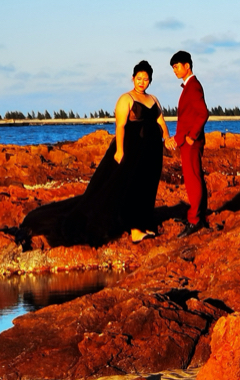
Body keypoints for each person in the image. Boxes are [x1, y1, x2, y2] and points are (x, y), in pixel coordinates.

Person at [18, 60, 169, 247]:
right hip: (131, 150)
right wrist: (120, 150)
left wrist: (167, 139)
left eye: (145, 79)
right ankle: (135, 230)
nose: (142, 82)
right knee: (129, 187)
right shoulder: (126, 99)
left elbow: (161, 122)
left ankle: (143, 222)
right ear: (133, 78)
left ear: (150, 81)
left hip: (151, 150)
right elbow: (120, 126)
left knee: (147, 186)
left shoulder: (153, 99)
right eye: (139, 78)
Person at [164, 50, 209, 237]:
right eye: (173, 67)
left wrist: (192, 136)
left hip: (191, 142)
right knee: (194, 178)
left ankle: (194, 220)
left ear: (187, 66)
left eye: (176, 67)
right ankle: (199, 215)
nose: (174, 70)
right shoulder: (189, 86)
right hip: (186, 141)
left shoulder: (193, 86)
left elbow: (203, 113)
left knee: (192, 181)